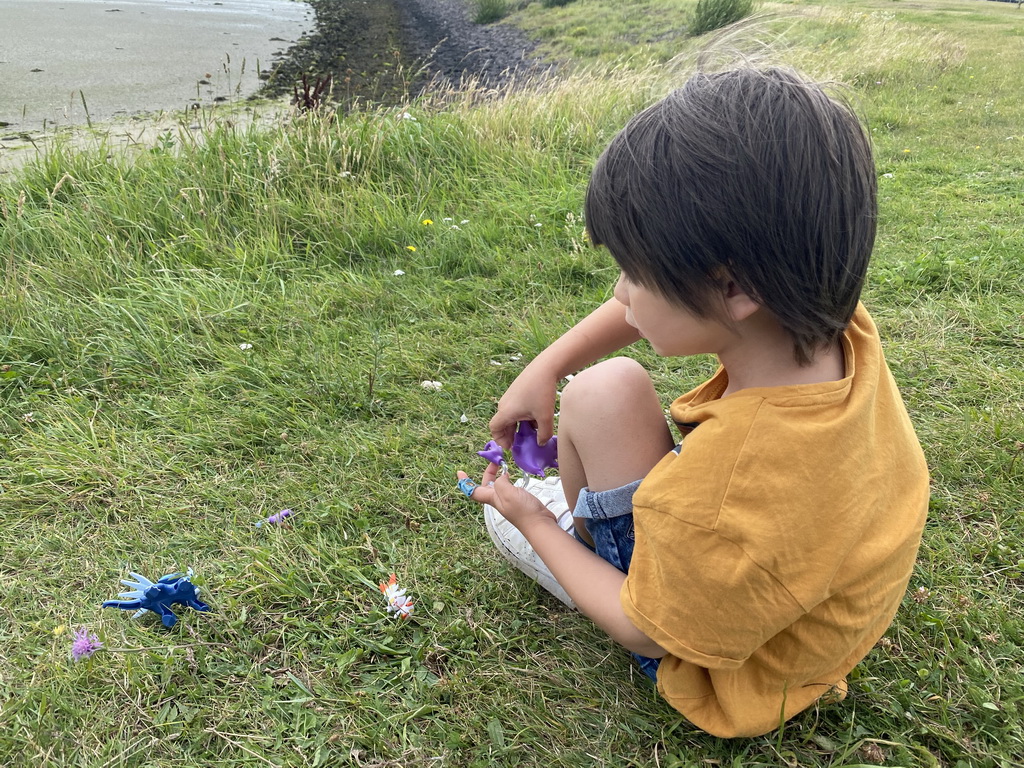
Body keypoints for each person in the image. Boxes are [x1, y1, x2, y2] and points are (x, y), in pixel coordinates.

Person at [456, 66, 929, 738]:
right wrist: (549, 363)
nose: (620, 290)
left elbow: (643, 632)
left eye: (634, 271)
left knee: (553, 465)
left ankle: (568, 538)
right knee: (602, 383)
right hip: (808, 595)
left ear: (733, 288)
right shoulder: (828, 317)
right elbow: (640, 308)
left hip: (725, 672)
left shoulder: (726, 500)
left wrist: (530, 518)